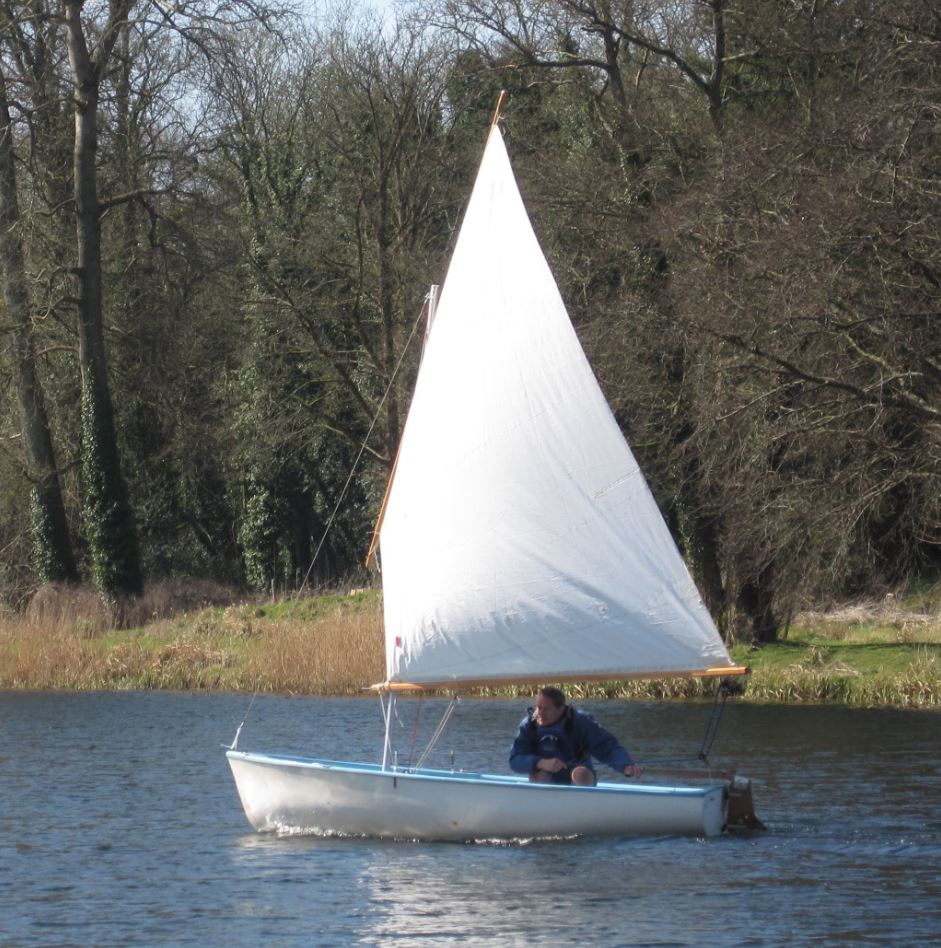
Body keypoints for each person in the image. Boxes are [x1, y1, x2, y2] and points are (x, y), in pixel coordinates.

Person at [509, 686, 641, 786]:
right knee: (539, 774)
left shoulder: (580, 721)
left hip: (579, 777)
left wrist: (625, 765)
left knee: (581, 774)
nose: (540, 713)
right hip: (546, 778)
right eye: (539, 707)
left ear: (560, 709)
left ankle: (581, 813)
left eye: (546, 709)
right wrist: (540, 763)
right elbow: (515, 759)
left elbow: (606, 747)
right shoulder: (529, 725)